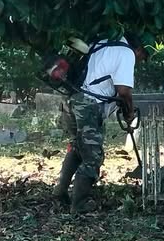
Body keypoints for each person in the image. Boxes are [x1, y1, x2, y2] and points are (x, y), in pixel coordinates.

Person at [53, 34, 148, 213]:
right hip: (89, 104)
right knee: (92, 156)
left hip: (71, 98)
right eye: (142, 58)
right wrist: (129, 113)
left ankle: (60, 192)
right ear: (139, 49)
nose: (140, 62)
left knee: (77, 147)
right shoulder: (126, 53)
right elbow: (124, 91)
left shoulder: (102, 44)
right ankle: (79, 204)